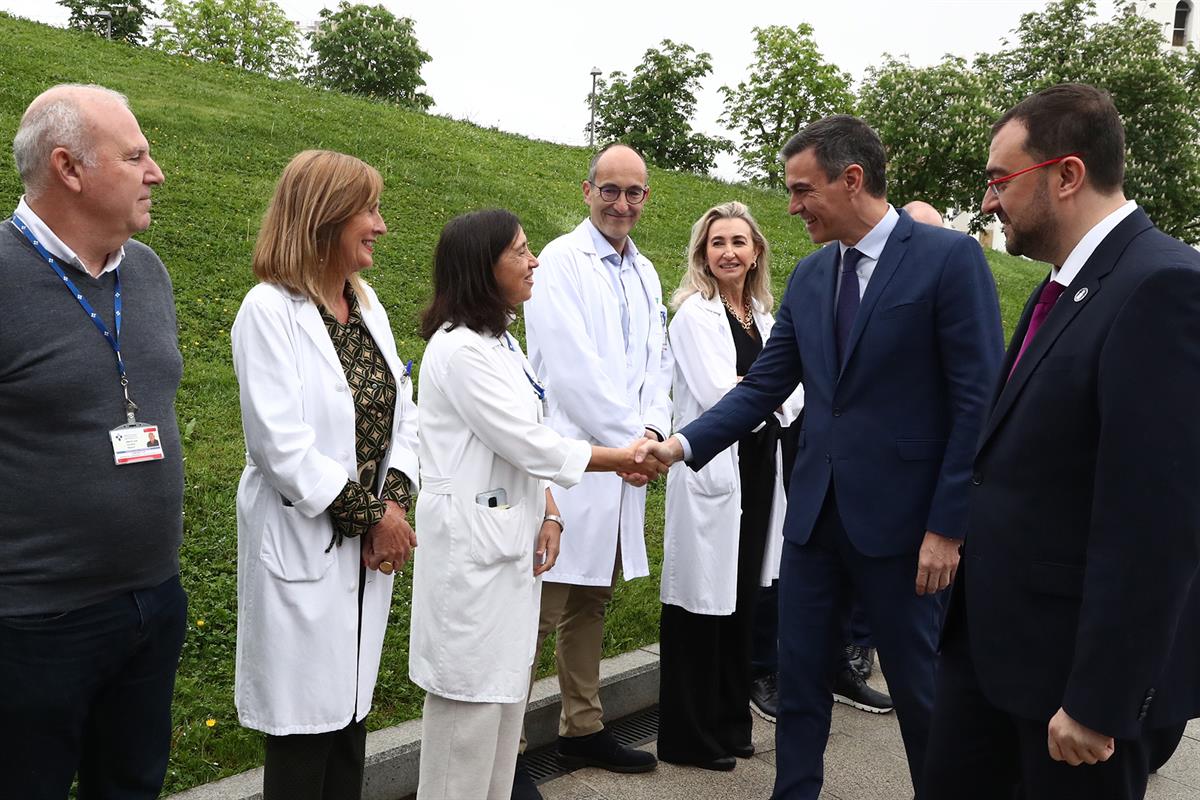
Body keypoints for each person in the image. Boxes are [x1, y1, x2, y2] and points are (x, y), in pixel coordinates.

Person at [636, 114, 1004, 799]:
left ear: (852, 179)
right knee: (800, 683)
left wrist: (949, 526)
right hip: (811, 524)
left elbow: (976, 403)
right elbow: (765, 388)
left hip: (907, 531)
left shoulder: (948, 260)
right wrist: (679, 447)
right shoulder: (810, 277)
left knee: (923, 696)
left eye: (804, 190)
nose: (793, 205)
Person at [923, 82, 1200, 800]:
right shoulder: (1068, 284)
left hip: (1068, 697)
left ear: (1067, 175)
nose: (988, 201)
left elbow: (1156, 522)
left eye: (999, 180)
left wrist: (1099, 699)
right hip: (993, 663)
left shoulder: (1161, 287)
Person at [408, 209, 666, 800]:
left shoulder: (502, 343)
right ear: (482, 268)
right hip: (473, 564)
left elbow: (527, 443)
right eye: (521, 252)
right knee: (465, 734)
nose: (535, 262)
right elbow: (529, 442)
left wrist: (550, 511)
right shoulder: (460, 352)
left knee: (499, 720)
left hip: (510, 553)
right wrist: (622, 457)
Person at [0, 83, 185, 799]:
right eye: (136, 154)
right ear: (69, 168)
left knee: (132, 788)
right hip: (32, 626)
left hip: (151, 604)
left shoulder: (147, 273)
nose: (156, 171)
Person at [231, 150, 419, 800]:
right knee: (303, 747)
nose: (381, 224)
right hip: (304, 547)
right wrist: (375, 518)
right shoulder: (269, 311)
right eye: (368, 209)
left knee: (348, 732)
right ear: (324, 217)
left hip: (362, 561)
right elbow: (278, 446)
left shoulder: (365, 306)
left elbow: (406, 416)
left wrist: (393, 505)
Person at [515, 142, 671, 795]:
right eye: (610, 190)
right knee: (537, 615)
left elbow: (659, 366)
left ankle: (583, 728)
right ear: (588, 191)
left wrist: (656, 431)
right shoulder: (558, 263)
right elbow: (573, 373)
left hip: (623, 463)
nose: (622, 203)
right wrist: (634, 448)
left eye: (634, 192)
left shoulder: (647, 272)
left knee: (593, 604)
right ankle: (509, 753)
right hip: (572, 467)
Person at [657, 201, 803, 770]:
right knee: (700, 605)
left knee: (741, 598)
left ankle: (729, 722)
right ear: (702, 253)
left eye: (739, 242)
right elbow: (724, 395)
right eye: (717, 243)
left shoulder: (762, 318)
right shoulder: (695, 315)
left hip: (760, 469)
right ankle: (692, 738)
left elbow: (793, 393)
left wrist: (760, 389)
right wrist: (760, 389)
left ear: (756, 251)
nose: (729, 252)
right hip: (714, 471)